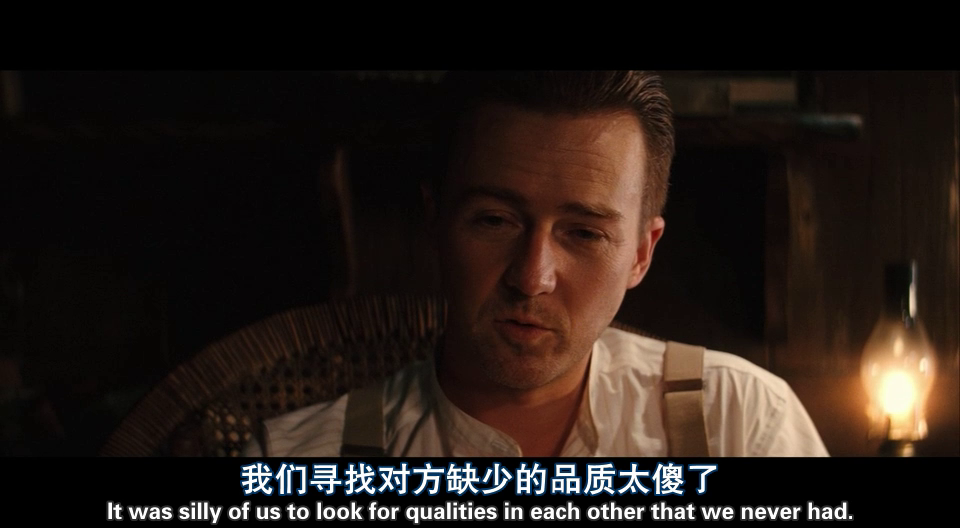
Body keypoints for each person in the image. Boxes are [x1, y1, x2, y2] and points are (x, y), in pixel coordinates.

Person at [244, 71, 828, 457]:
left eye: (584, 233)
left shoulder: (740, 422)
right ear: (435, 222)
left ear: (641, 253)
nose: (531, 277)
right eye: (495, 221)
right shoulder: (299, 459)